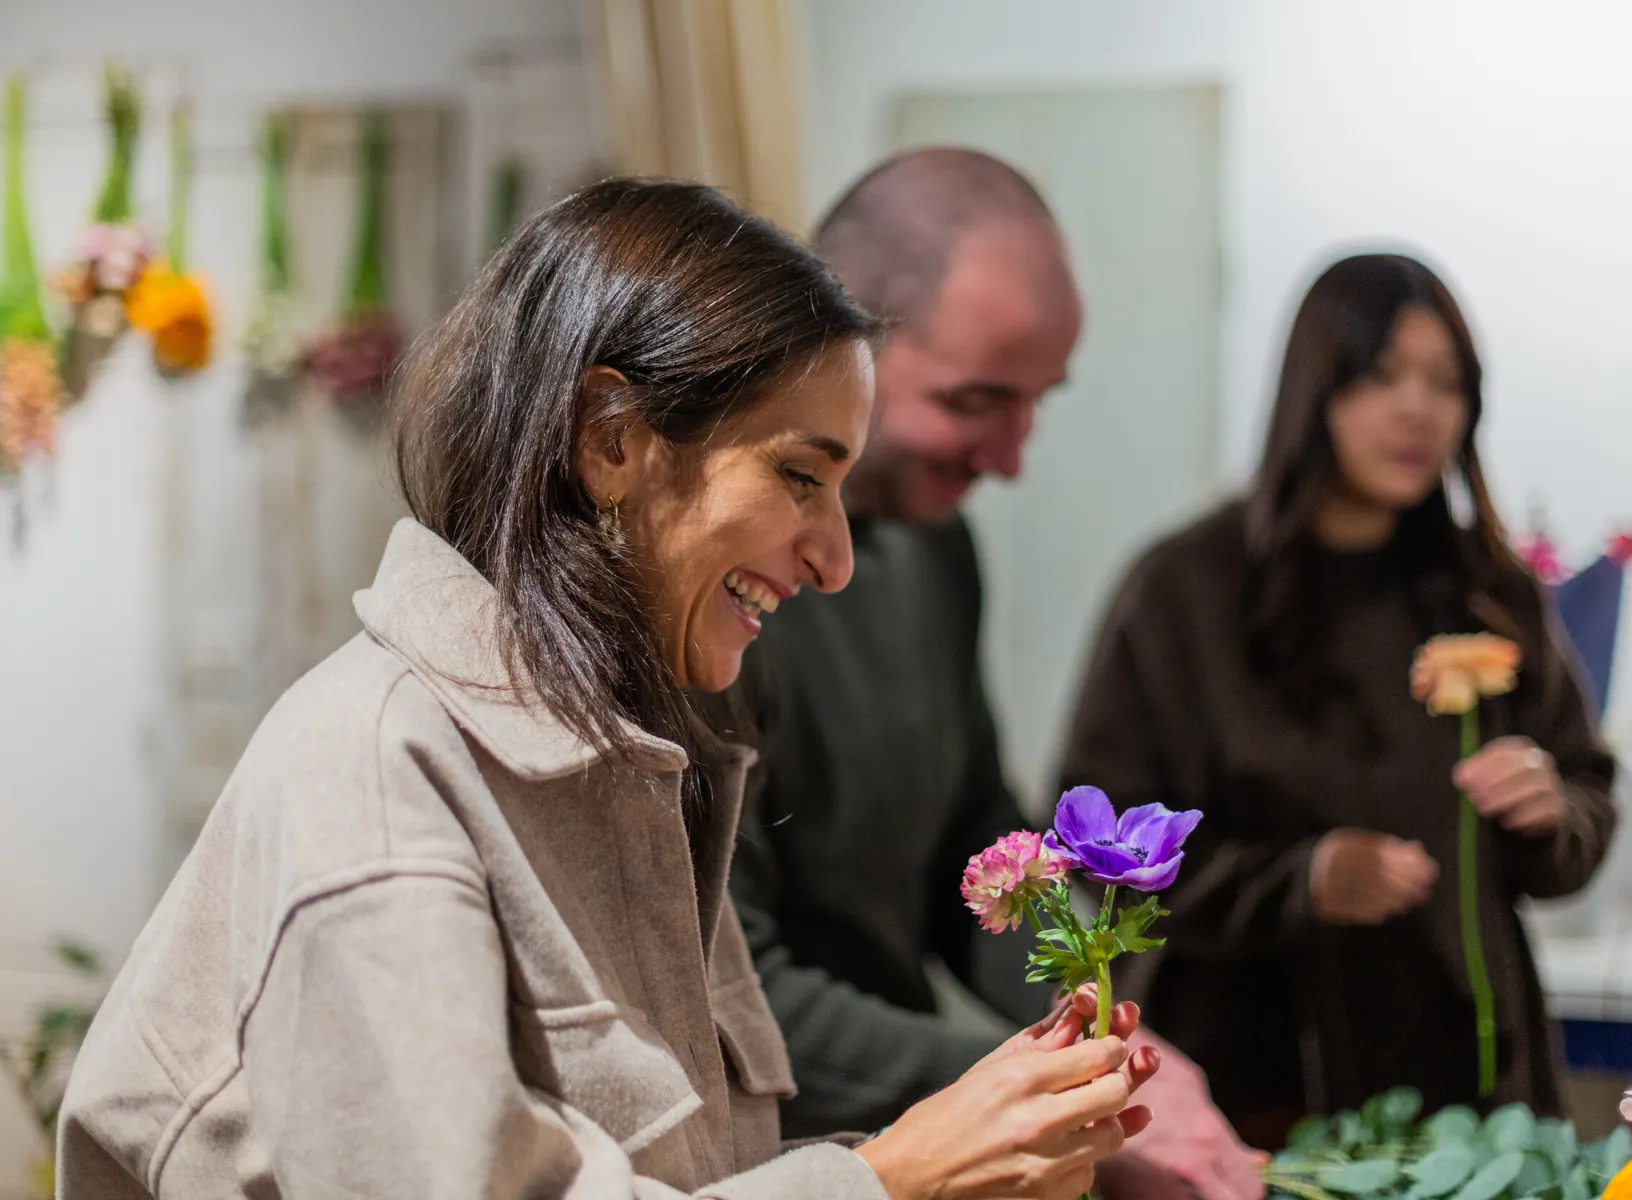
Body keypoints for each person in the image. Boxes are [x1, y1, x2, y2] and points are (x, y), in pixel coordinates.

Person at [55, 179, 1162, 1200]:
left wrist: (950, 1162)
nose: (835, 560)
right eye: (796, 476)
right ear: (612, 439)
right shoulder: (378, 773)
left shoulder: (637, 764)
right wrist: (892, 1178)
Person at [727, 148, 1269, 1200]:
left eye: (1036, 403)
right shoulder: (725, 597)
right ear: (843, 346)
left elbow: (981, 848)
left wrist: (1099, 1022)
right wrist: (1041, 1082)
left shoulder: (935, 550)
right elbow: (737, 990)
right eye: (978, 400)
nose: (1013, 458)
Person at [1058, 253, 1618, 1145]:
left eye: (1446, 383)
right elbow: (1095, 851)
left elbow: (1586, 794)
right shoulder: (1186, 591)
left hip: (1471, 1099)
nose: (1417, 409)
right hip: (1244, 1097)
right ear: (1314, 385)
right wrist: (1299, 883)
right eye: (1381, 374)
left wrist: (1553, 812)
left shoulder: (1485, 590)